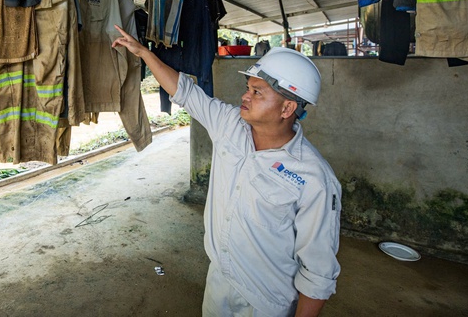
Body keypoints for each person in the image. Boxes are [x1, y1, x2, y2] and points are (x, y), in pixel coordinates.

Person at [112, 25, 341, 317]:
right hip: (219, 281)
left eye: (257, 92)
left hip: (267, 301)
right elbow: (185, 92)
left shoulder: (314, 178)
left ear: (287, 108)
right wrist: (144, 53)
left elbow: (318, 270)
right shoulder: (229, 124)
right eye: (248, 88)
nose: (245, 96)